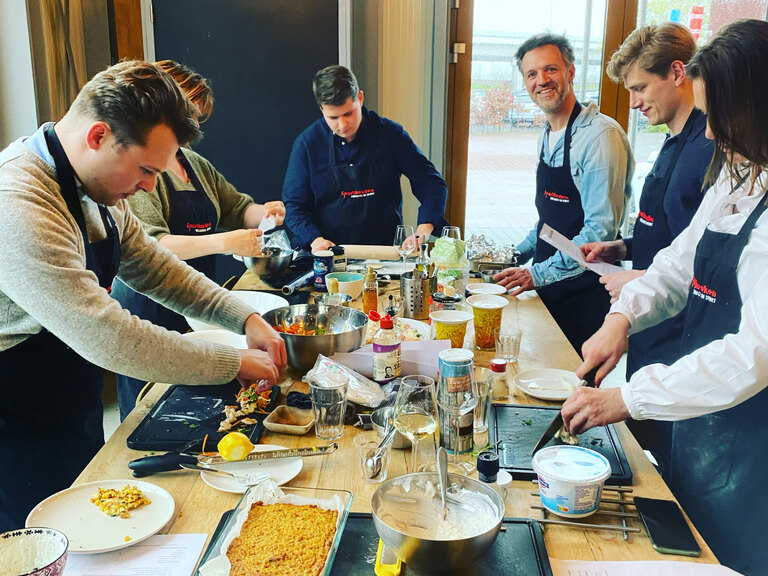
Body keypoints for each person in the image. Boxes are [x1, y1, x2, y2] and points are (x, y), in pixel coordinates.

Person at [0, 60, 286, 531]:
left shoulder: (96, 193)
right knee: (44, 545)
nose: (152, 185)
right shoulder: (21, 202)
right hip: (14, 422)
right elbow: (108, 337)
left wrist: (244, 319)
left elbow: (157, 268)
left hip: (69, 399)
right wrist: (230, 361)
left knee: (90, 524)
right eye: (146, 169)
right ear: (98, 136)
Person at [561, 19, 768, 575]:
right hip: (699, 417)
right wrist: (621, 317)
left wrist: (629, 398)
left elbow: (754, 355)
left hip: (752, 438)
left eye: (718, 115)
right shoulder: (740, 170)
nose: (708, 134)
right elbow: (680, 260)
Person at [112, 60, 286, 420]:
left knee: (197, 411)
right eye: (186, 116)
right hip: (149, 311)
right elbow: (153, 248)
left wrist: (265, 214)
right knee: (151, 411)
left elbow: (237, 207)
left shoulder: (194, 164)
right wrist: (224, 243)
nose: (190, 128)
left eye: (196, 121)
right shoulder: (143, 172)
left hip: (193, 307)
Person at [578, 23, 714, 468]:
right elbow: (672, 237)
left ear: (677, 72)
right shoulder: (672, 141)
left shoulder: (711, 149)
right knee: (645, 448)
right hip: (648, 330)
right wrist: (621, 248)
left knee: (671, 460)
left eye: (640, 87)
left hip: (683, 339)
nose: (634, 101)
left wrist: (642, 279)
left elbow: (708, 260)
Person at [494, 33, 633, 355]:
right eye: (531, 74)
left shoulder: (601, 136)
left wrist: (535, 273)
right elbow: (549, 222)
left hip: (585, 291)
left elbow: (599, 232)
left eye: (550, 69)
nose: (541, 80)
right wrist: (510, 258)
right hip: (551, 286)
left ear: (570, 72)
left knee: (571, 394)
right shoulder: (547, 134)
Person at [282, 65, 449, 252]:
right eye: (333, 117)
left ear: (359, 98)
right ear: (321, 110)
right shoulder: (307, 144)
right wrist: (314, 239)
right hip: (329, 254)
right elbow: (294, 205)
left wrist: (424, 229)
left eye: (348, 113)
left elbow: (431, 183)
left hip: (385, 252)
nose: (342, 125)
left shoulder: (390, 135)